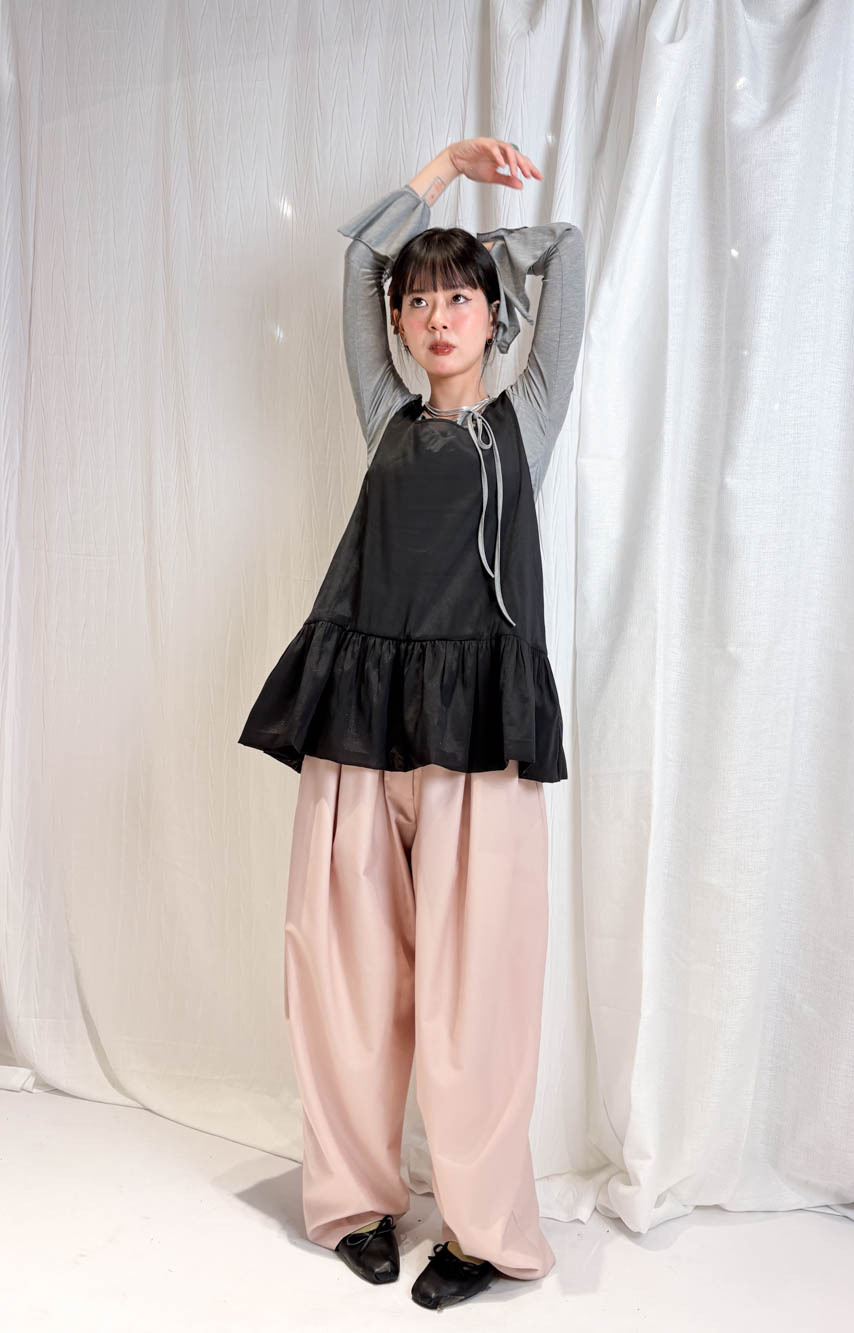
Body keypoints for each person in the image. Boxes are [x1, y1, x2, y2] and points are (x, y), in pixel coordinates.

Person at [238, 137, 585, 1309]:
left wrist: (496, 247)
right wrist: (439, 168)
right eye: (420, 301)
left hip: (478, 739)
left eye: (460, 298)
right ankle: (354, 1201)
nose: (438, 317)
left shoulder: (527, 417)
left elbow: (569, 258)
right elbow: (357, 263)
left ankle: (482, 1231)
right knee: (342, 975)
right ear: (397, 325)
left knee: (478, 988)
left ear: (493, 317)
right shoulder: (384, 408)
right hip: (358, 728)